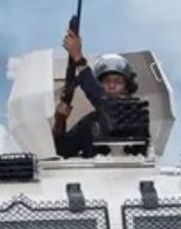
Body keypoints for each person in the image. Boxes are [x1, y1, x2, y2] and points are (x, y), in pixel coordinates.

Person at [53, 31, 149, 159]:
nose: (112, 86)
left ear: (127, 87)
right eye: (106, 81)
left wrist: (78, 58)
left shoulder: (136, 116)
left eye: (118, 82)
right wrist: (60, 120)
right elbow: (62, 149)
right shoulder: (91, 122)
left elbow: (103, 101)